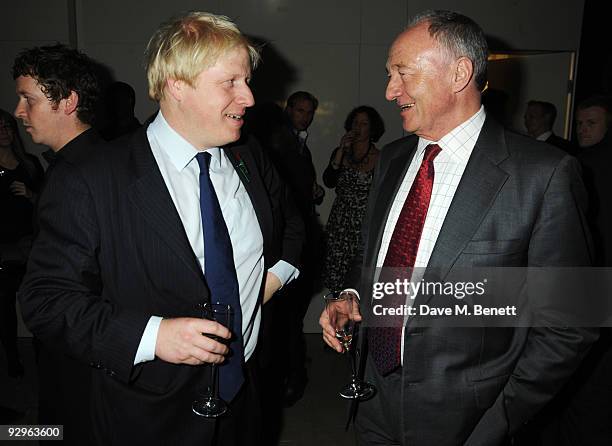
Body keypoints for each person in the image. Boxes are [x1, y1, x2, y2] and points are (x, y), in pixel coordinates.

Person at [18, 11, 303, 446]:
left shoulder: (249, 155)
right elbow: (46, 301)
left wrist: (271, 279)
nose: (248, 97)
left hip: (245, 396)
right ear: (177, 85)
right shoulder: (93, 178)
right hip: (146, 411)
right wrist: (153, 335)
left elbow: (294, 226)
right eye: (230, 82)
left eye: (247, 81)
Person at [320, 10, 597, 446]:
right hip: (373, 396)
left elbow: (571, 322)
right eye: (390, 75)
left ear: (459, 73)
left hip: (468, 422)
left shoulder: (544, 174)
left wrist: (500, 419)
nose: (391, 91)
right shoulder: (392, 159)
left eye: (403, 74)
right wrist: (353, 295)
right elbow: (375, 255)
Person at [12, 43, 103, 445]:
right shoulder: (99, 158)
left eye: (27, 99)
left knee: (56, 431)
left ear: (68, 101)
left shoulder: (75, 176)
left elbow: (68, 289)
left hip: (77, 352)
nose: (18, 111)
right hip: (91, 347)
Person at [255, 91, 325, 411]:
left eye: (310, 112)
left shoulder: (292, 146)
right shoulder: (275, 147)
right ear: (288, 110)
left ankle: (293, 378)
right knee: (286, 321)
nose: (305, 117)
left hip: (294, 244)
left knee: (288, 320)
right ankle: (291, 376)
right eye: (301, 110)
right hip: (286, 245)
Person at [0, 109, 44, 379]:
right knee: (3, 307)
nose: (5, 131)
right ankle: (13, 360)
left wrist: (30, 195)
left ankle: (43, 359)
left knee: (38, 305)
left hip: (31, 247)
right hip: (3, 251)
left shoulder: (29, 164)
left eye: (7, 126)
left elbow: (48, 205)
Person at [322, 105, 384, 291]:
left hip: (363, 225)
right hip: (339, 223)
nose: (358, 127)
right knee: (335, 277)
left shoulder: (380, 157)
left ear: (372, 129)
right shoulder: (341, 152)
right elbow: (328, 181)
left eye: (364, 123)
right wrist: (341, 151)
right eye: (355, 123)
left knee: (357, 278)